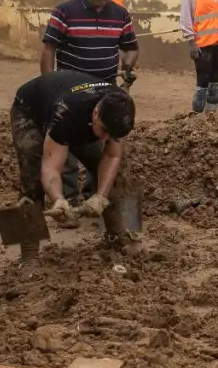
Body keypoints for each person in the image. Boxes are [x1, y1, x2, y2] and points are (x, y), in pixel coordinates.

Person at [11, 71, 137, 259]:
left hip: (78, 115)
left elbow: (113, 155)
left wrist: (101, 196)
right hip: (30, 111)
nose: (106, 138)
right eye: (104, 131)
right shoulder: (65, 113)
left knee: (116, 171)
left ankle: (116, 236)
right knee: (33, 179)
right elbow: (51, 167)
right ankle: (29, 255)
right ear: (96, 114)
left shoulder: (122, 111)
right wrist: (58, 199)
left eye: (113, 135)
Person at [41, 0, 138, 203]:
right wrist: (48, 82)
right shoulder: (65, 11)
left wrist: (128, 63)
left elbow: (131, 48)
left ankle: (92, 197)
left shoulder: (120, 15)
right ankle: (67, 199)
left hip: (103, 95)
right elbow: (49, 48)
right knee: (65, 144)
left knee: (100, 145)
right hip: (70, 94)